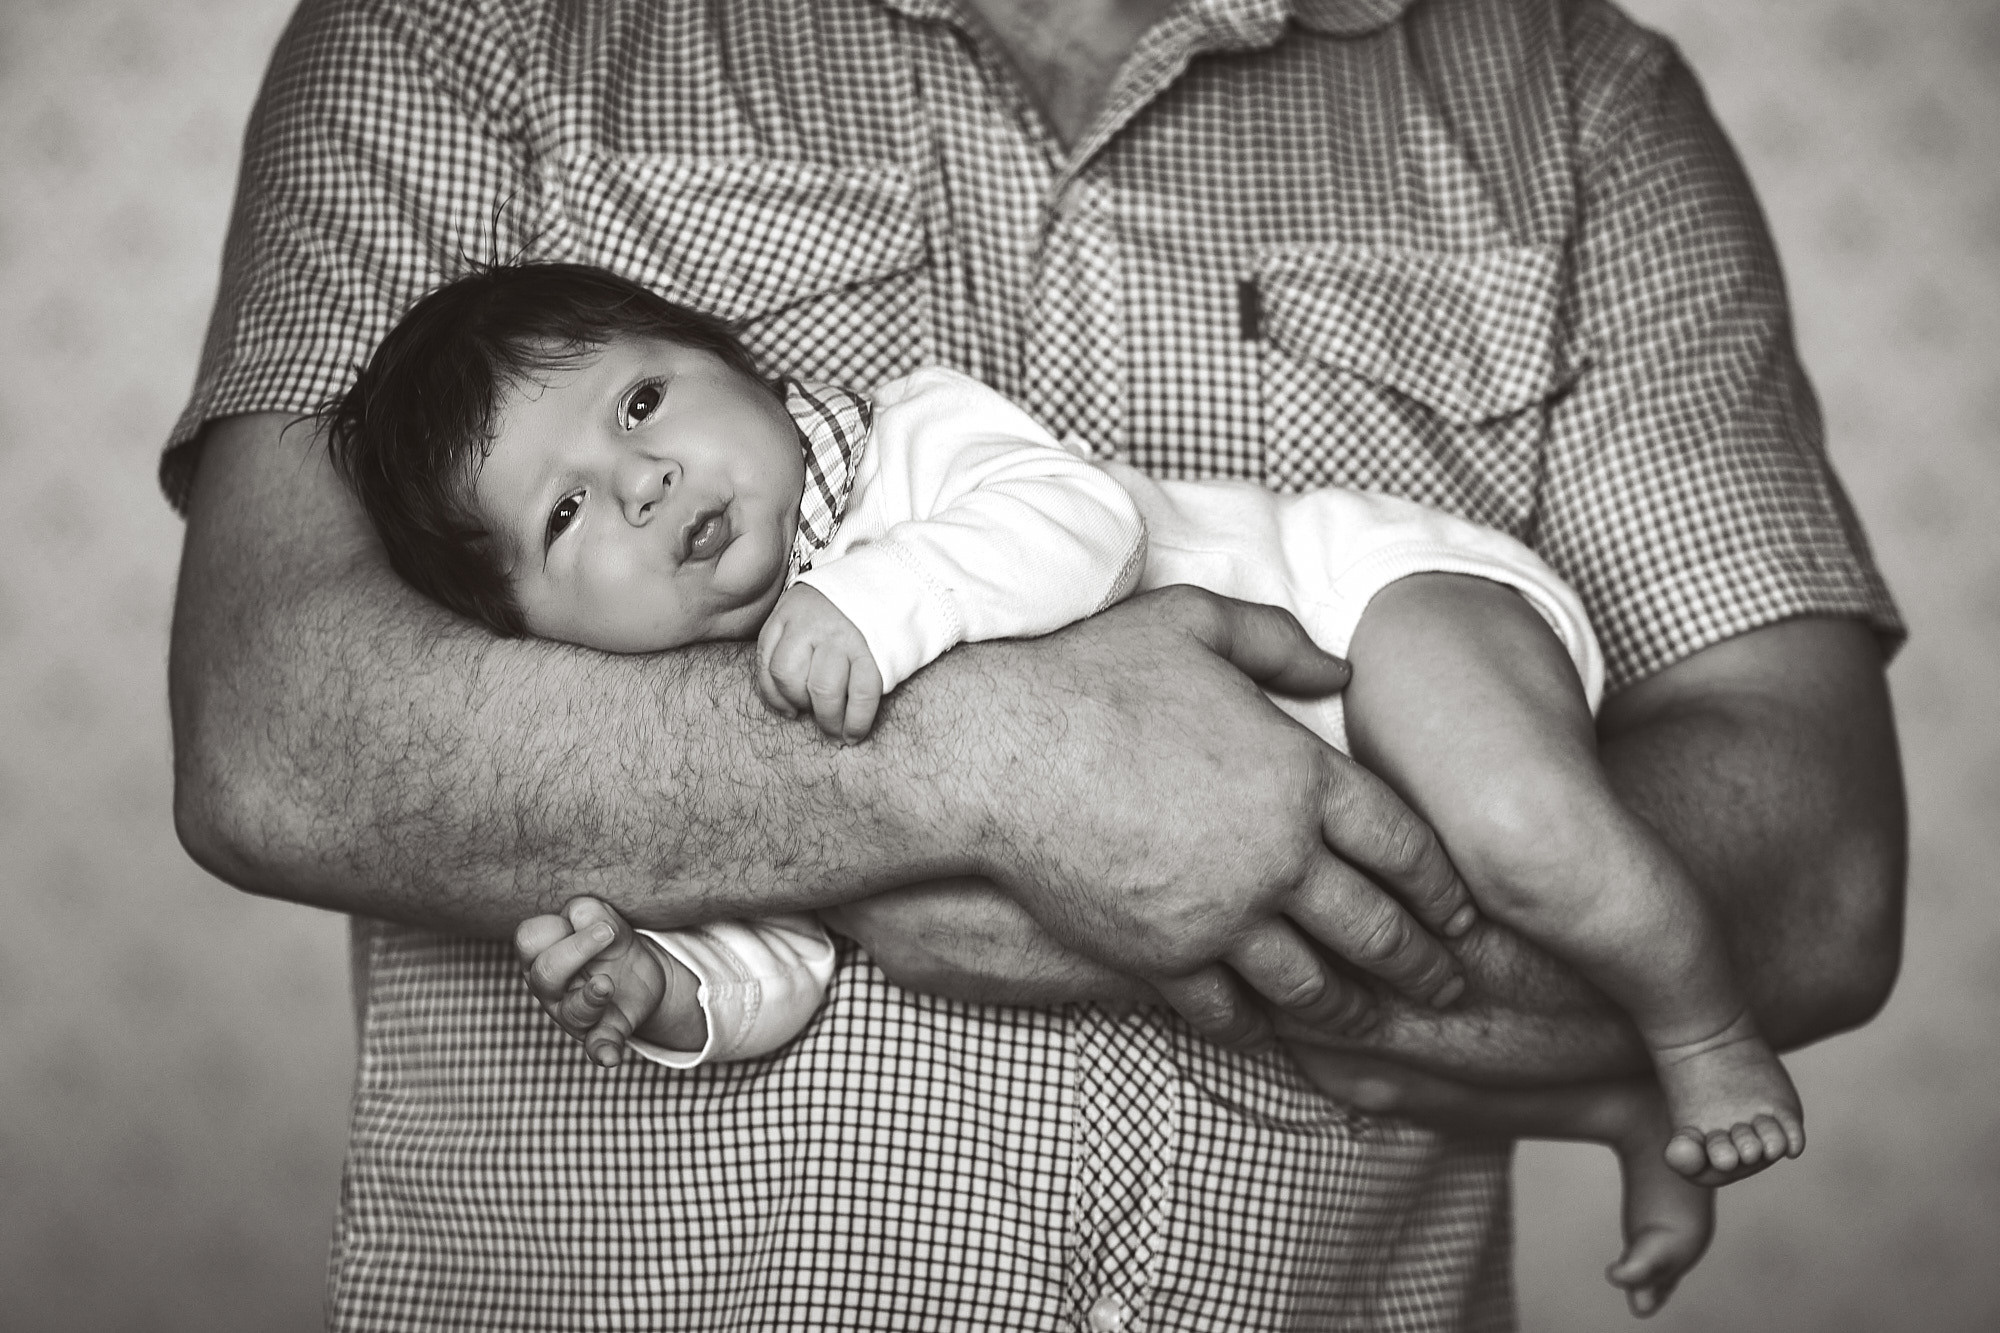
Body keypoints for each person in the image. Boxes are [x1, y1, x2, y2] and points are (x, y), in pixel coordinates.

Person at [165, 0, 1907, 1328]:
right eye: (565, 522)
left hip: (1382, 613)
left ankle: (1694, 1038)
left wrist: (885, 747)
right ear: (518, 622)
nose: (641, 480)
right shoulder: (464, 29)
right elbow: (276, 737)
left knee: (1537, 829)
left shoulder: (1573, 94)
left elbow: (1818, 881)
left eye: (646, 401)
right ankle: (1623, 1091)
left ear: (748, 372)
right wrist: (687, 982)